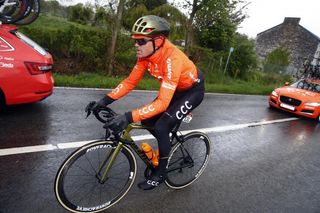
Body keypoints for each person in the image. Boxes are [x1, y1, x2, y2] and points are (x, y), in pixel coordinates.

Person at [91, 15, 205, 190]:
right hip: (175, 90)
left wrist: (128, 117)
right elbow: (130, 82)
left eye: (141, 41)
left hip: (192, 91)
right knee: (147, 121)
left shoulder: (171, 59)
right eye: (135, 41)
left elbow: (162, 104)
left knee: (162, 126)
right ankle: (164, 148)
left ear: (158, 40)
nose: (136, 45)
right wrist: (104, 101)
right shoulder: (146, 55)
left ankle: (161, 172)